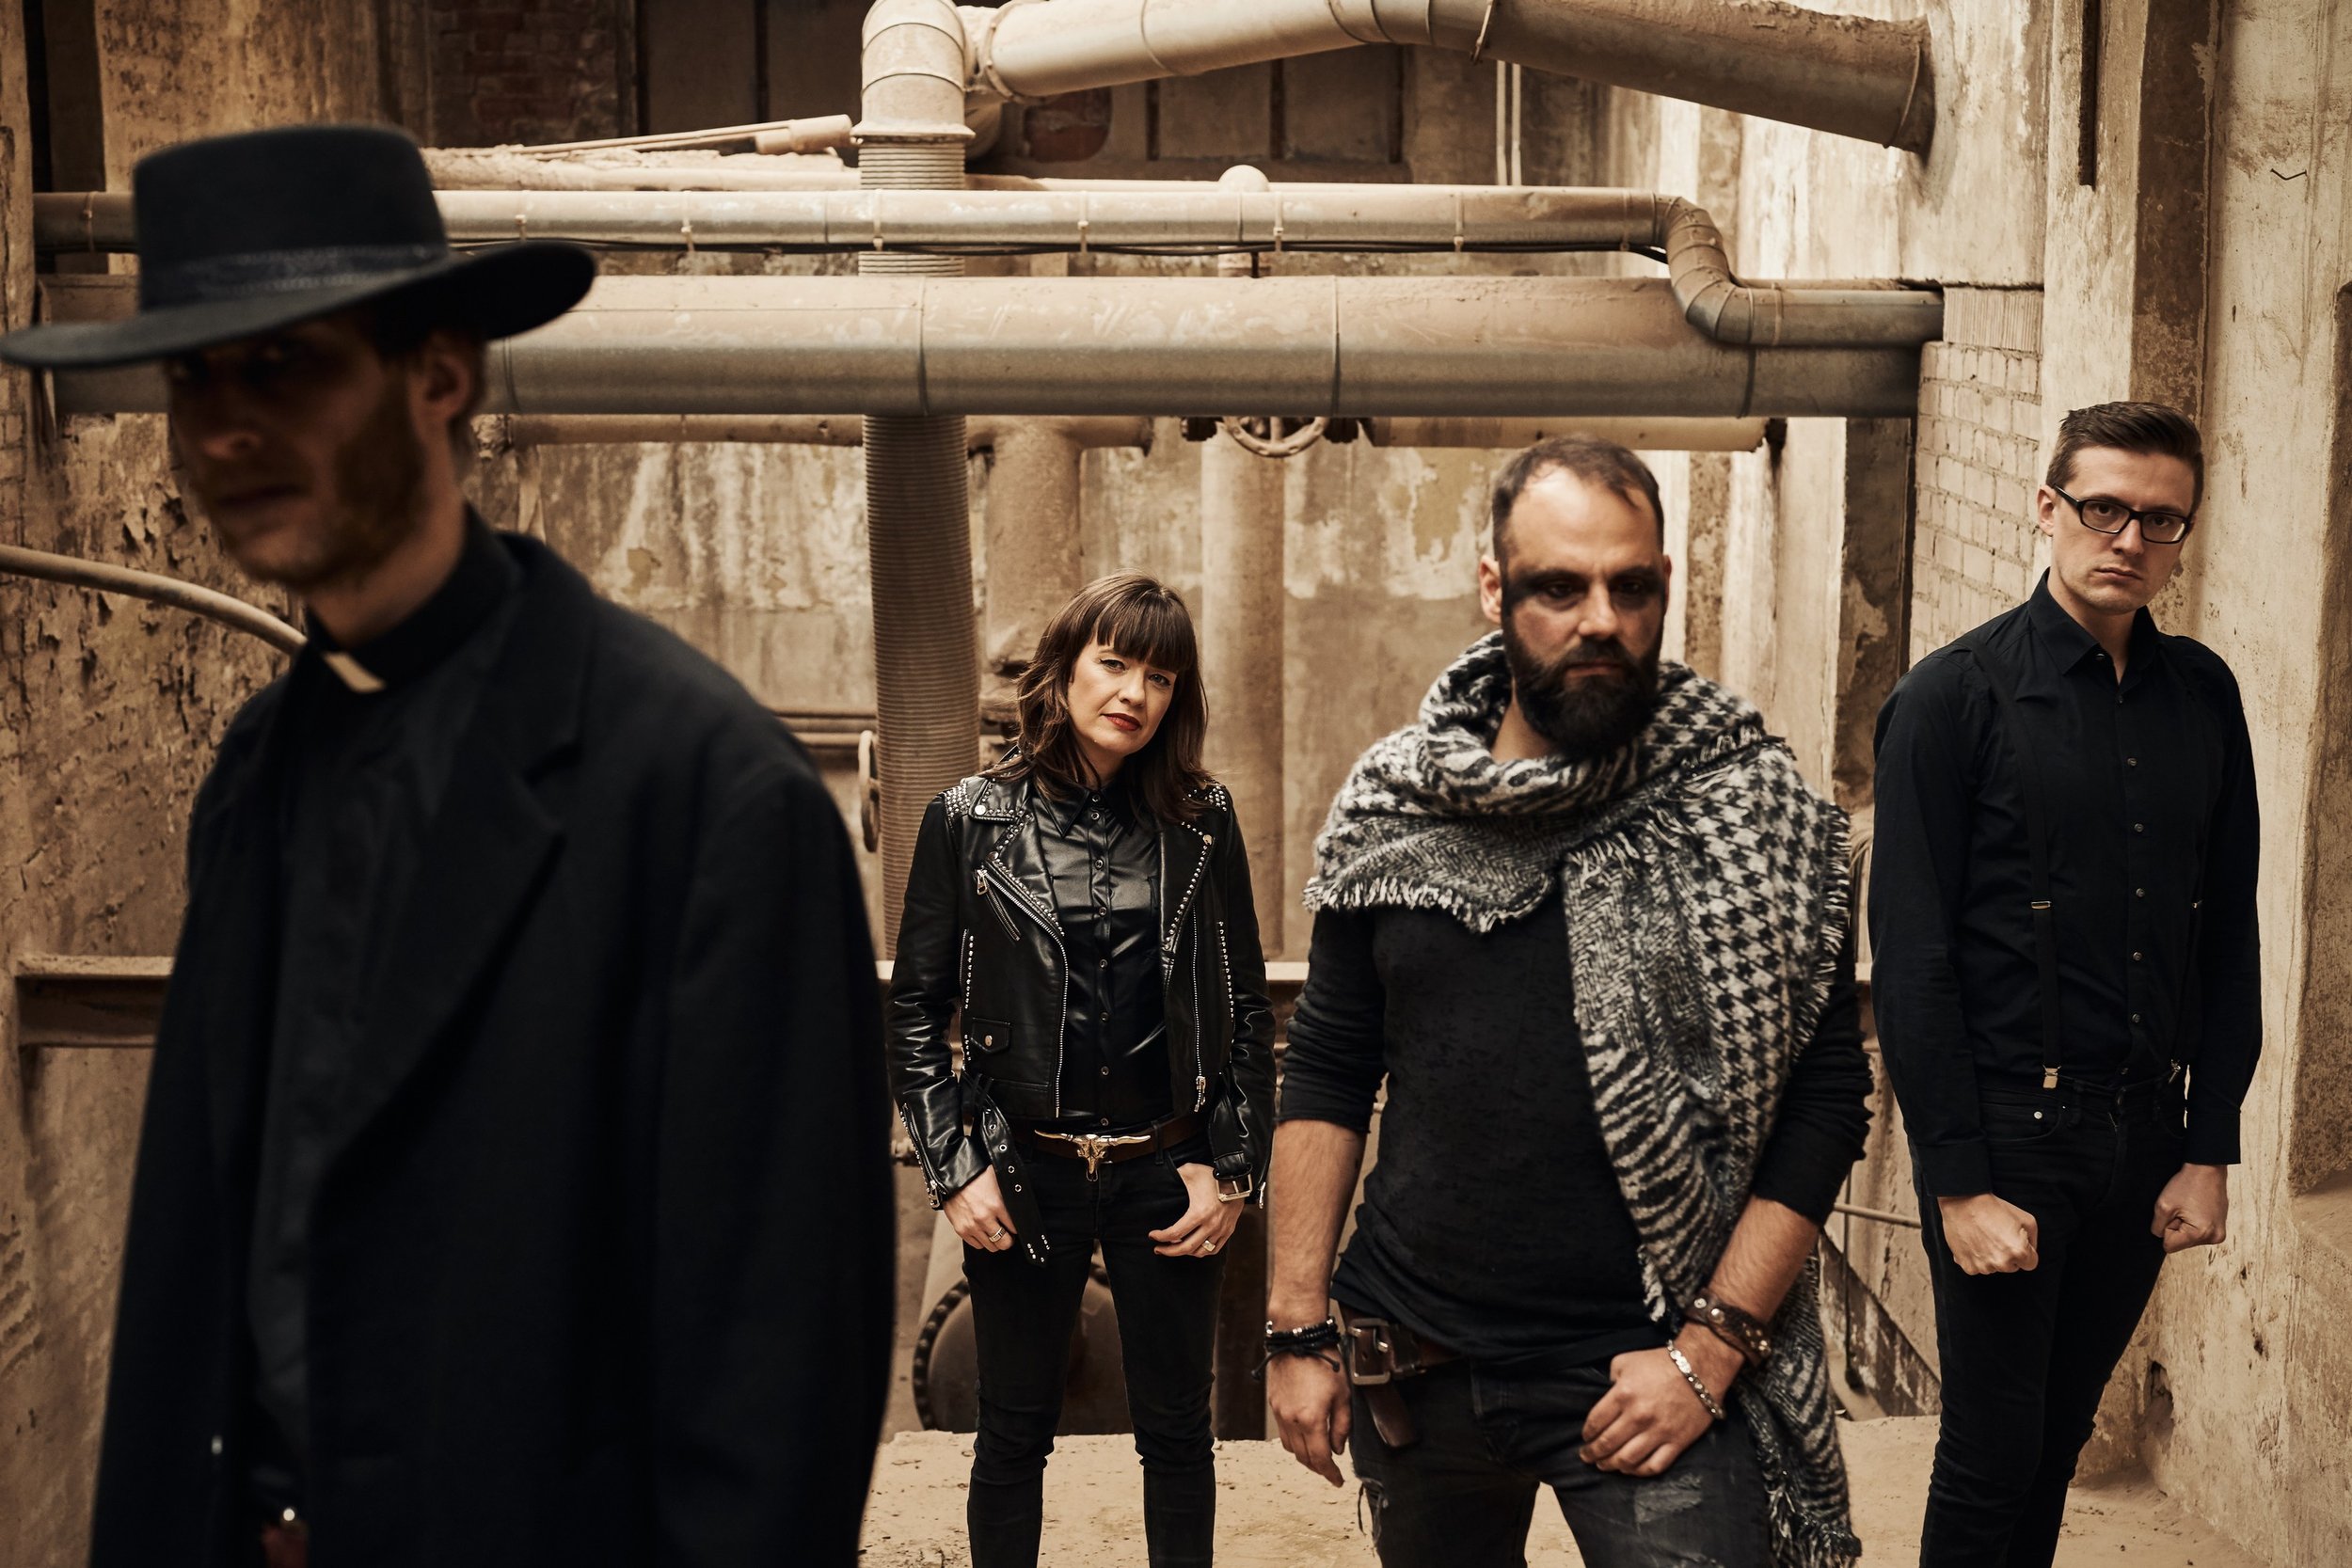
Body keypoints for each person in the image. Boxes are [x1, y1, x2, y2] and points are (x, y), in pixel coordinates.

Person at [0, 124, 895, 1567]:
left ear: (440, 375)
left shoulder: (709, 797)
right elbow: (193, 1286)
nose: (224, 429)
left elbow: (774, 1399)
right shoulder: (255, 774)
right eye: (193, 377)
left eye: (283, 365)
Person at [1263, 436, 1873, 1568]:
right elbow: (1330, 1067)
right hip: (1417, 1364)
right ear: (1492, 588)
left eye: (1630, 587)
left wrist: (1713, 1347)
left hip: (1653, 1367)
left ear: (1663, 587)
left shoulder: (1752, 810)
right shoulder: (1395, 804)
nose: (1600, 619)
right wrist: (1295, 1327)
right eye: (1558, 587)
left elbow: (1826, 1096)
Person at [1868, 401, 2259, 1566]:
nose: (2128, 539)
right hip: (2007, 1135)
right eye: (2103, 508)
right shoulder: (1948, 698)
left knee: (2054, 1439)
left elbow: (2225, 930)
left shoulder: (2204, 694)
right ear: (2047, 508)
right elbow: (1914, 959)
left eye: (2160, 519)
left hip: (2142, 1138)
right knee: (1990, 1454)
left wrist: (2208, 1143)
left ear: (2183, 534)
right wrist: (1957, 1182)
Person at [885, 573, 1276, 1568]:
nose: (1135, 693)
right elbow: (916, 1010)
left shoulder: (1203, 817)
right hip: (1025, 1171)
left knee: (1178, 1435)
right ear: (1062, 672)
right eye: (1114, 663)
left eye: (1161, 676)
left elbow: (1244, 1005)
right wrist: (955, 1168)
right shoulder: (968, 817)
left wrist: (1231, 1169)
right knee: (1012, 1433)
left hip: (1167, 1169)